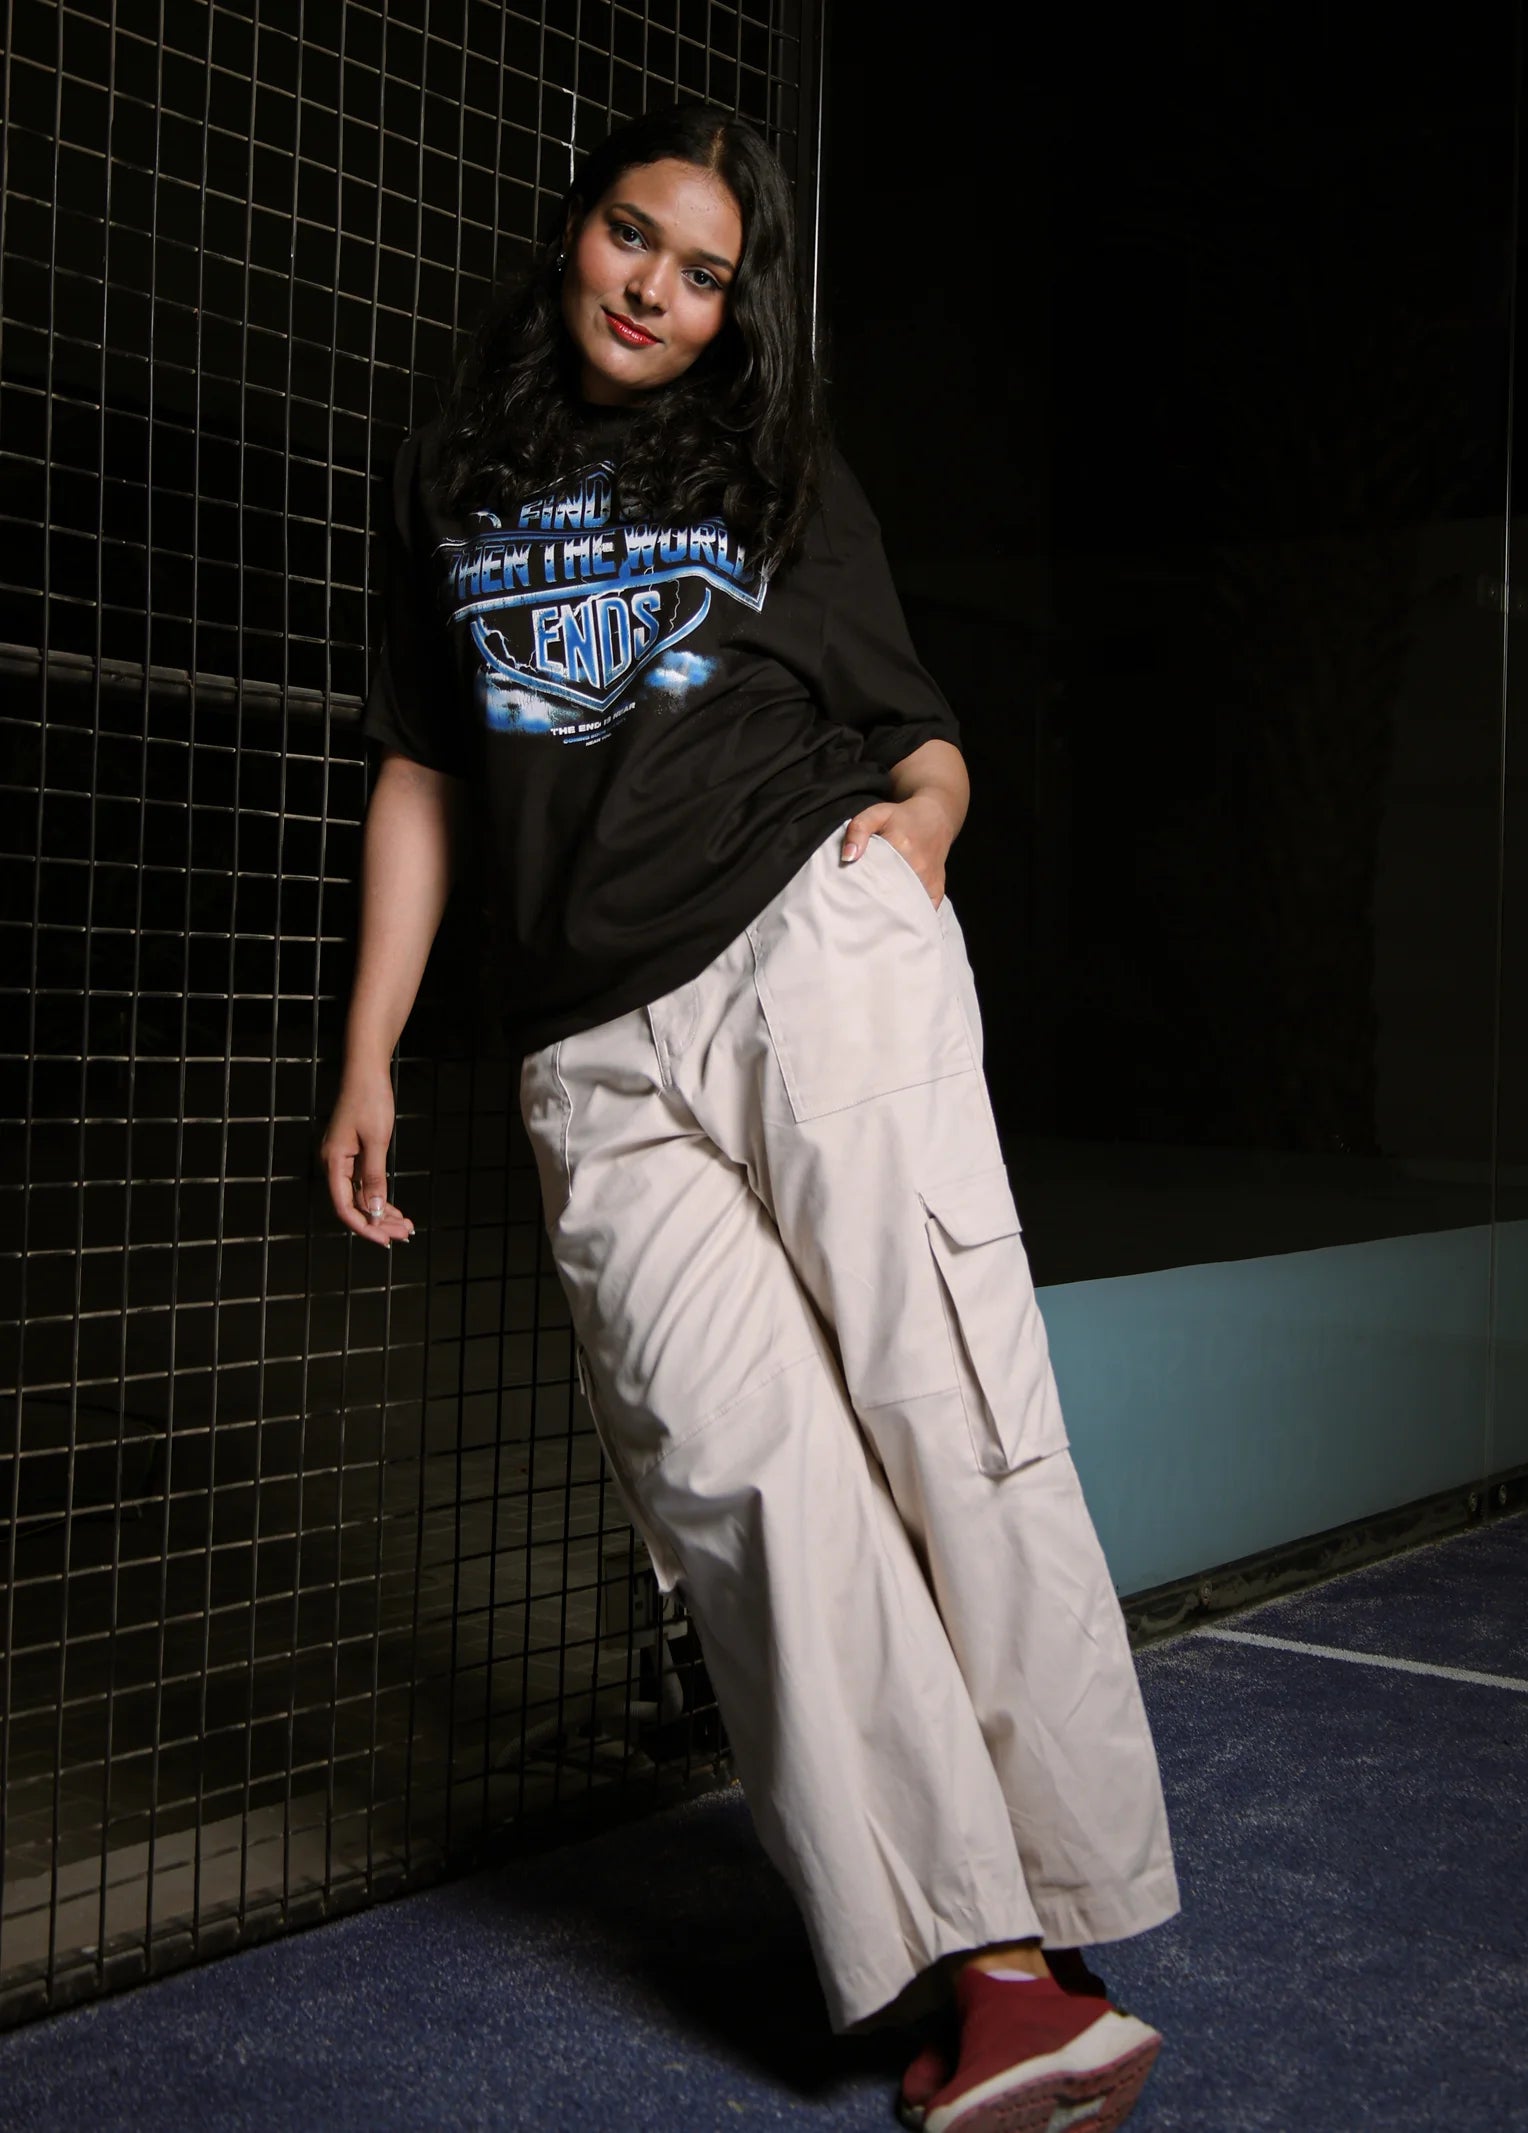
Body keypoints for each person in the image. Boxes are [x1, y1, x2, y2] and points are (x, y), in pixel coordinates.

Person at [321, 100, 1179, 2133]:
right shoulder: (452, 468)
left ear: (736, 308)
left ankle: (1040, 1930)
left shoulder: (775, 464)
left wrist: (932, 827)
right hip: (586, 1058)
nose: (654, 289)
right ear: (577, 228)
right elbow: (426, 772)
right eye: (633, 238)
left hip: (813, 949)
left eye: (703, 273)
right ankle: (977, 1967)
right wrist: (368, 1047)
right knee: (749, 1494)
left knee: (941, 1405)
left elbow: (913, 722)